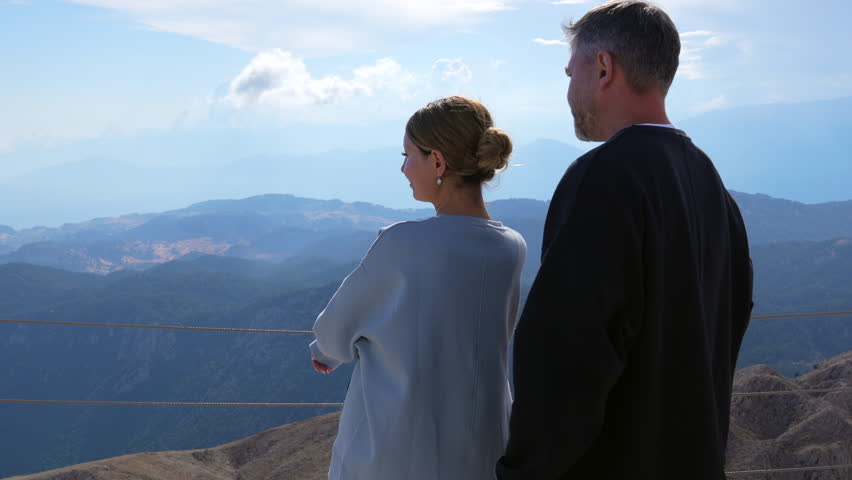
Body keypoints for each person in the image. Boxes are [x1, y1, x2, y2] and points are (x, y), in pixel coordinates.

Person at [495, 1, 753, 479]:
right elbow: (732, 320)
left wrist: (525, 469)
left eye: (571, 73)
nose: (569, 91)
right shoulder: (710, 183)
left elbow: (564, 352)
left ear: (603, 67)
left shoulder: (604, 178)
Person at [309, 96, 527, 480]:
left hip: (396, 454)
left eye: (408, 155)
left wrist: (325, 353)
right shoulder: (511, 247)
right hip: (483, 451)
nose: (404, 168)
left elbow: (333, 332)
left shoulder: (400, 244)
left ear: (438, 162)